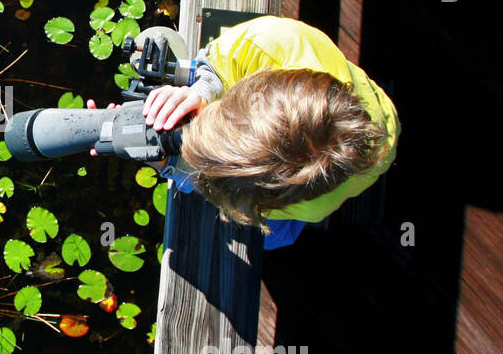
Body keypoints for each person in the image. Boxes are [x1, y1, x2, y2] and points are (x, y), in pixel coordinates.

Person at [93, 16, 399, 250]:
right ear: (255, 87)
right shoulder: (278, 41)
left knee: (272, 237)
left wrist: (170, 165)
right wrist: (203, 90)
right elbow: (224, 60)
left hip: (366, 157)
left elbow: (223, 190)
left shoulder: (302, 205)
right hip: (376, 118)